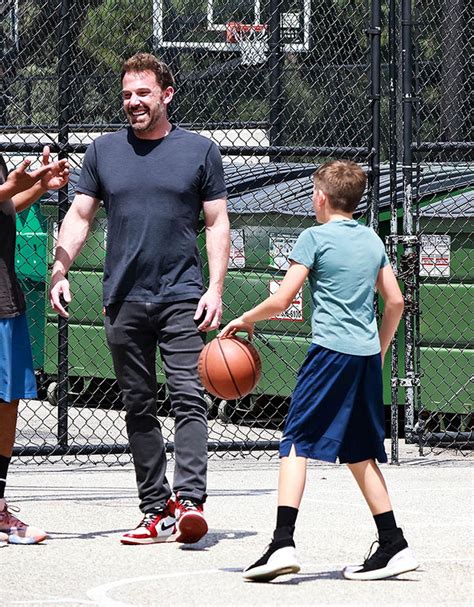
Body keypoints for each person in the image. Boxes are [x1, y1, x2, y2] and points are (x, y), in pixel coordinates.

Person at [49, 53, 230, 545]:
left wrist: (215, 289)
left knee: (190, 398)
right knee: (139, 407)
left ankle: (189, 501)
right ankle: (155, 511)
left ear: (166, 95)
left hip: (182, 296)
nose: (133, 102)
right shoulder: (103, 151)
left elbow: (216, 223)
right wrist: (60, 269)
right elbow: (80, 216)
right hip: (123, 298)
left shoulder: (200, 151)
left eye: (143, 93)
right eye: (127, 94)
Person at [219, 160, 419, 581]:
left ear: (322, 198)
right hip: (364, 358)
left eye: (313, 193)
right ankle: (393, 543)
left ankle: (282, 543)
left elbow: (282, 299)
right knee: (360, 450)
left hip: (330, 354)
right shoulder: (372, 240)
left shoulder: (313, 237)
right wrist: (378, 351)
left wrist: (246, 318)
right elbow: (396, 302)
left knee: (296, 441)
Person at [0, 147, 69, 547]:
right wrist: (9, 187)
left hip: (4, 293)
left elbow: (4, 204)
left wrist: (38, 187)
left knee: (7, 402)